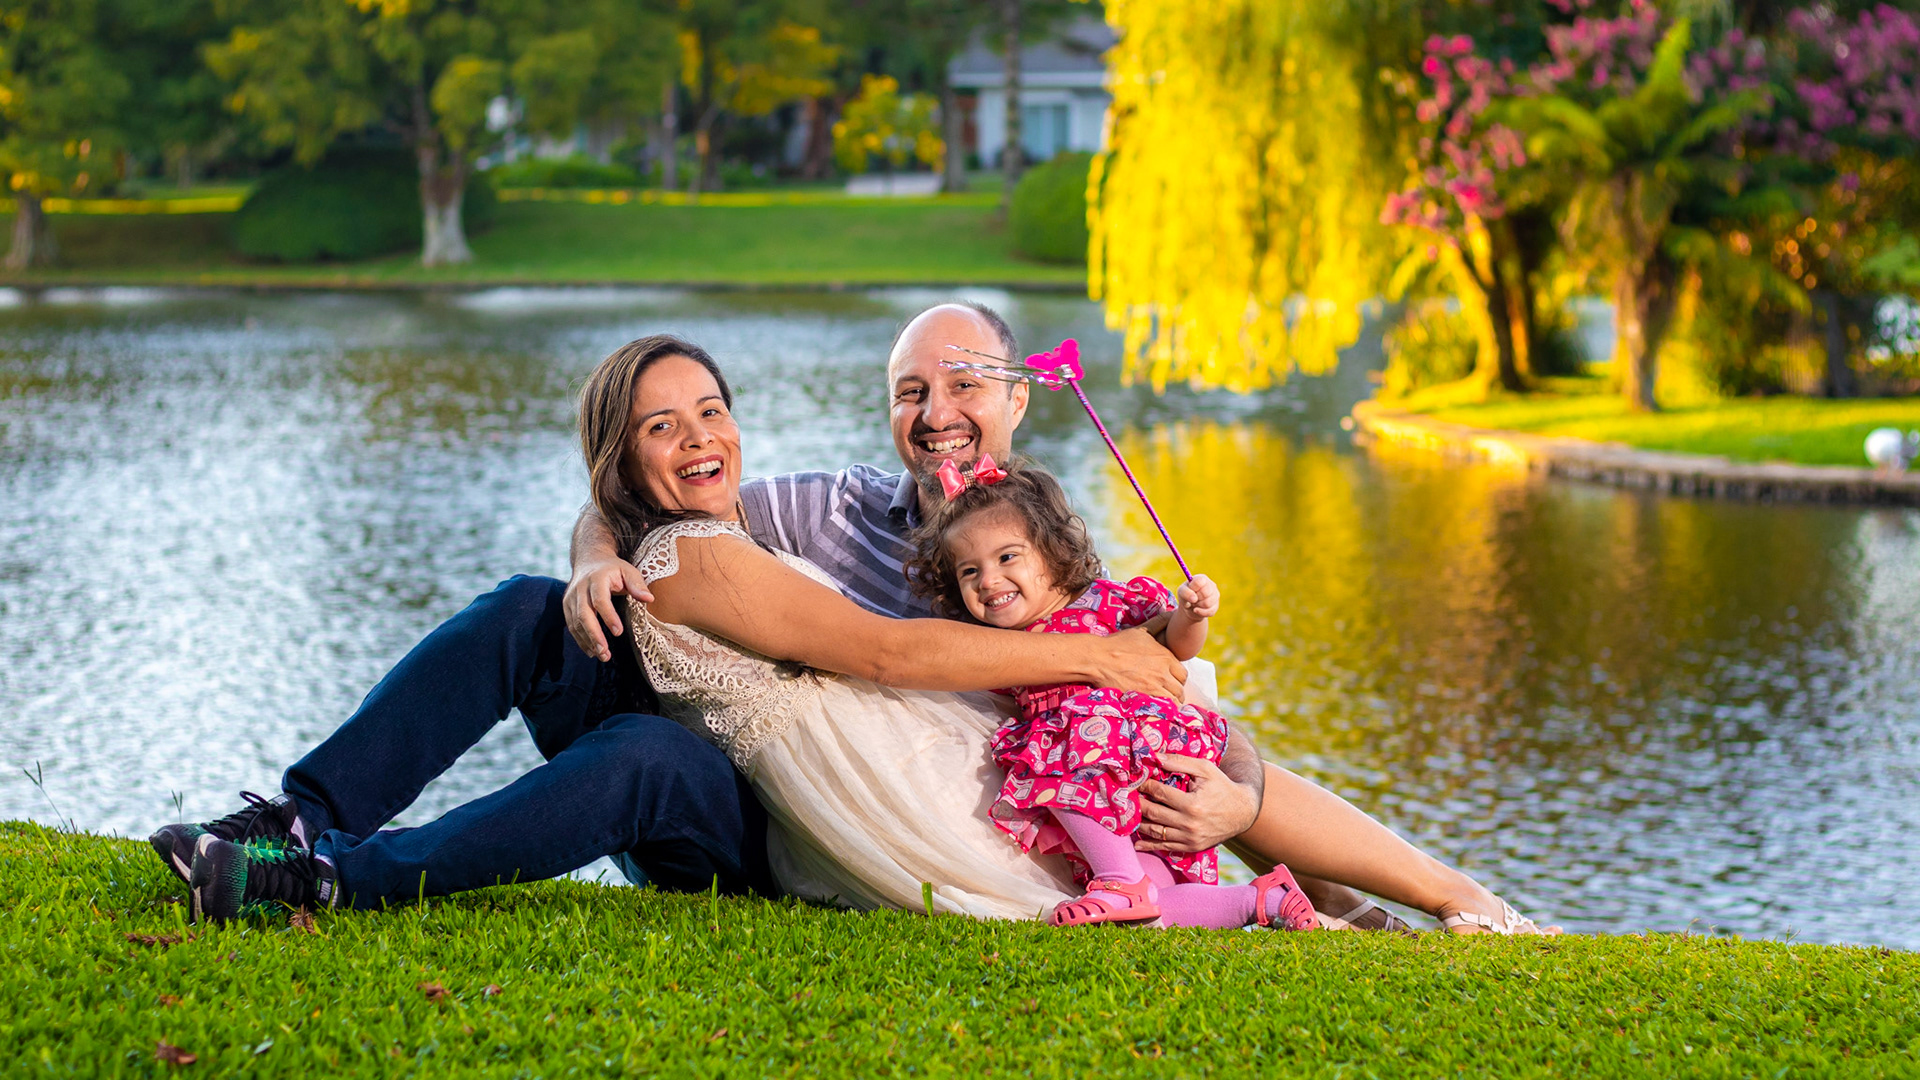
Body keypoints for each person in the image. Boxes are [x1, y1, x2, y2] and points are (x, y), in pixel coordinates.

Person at [153, 302, 1549, 935]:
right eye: (909, 393)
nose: (937, 414)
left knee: (652, 757)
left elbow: (1185, 732)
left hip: (809, 819)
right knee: (532, 611)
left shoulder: (1054, 570)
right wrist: (589, 558)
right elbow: (657, 512)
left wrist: (1240, 795)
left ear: (1017, 400)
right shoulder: (822, 510)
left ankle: (339, 882)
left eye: (965, 386)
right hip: (752, 769)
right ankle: (299, 823)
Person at [906, 458, 1318, 931]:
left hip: (1141, 748)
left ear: (1052, 549)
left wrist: (1192, 615)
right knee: (1152, 905)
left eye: (1007, 558)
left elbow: (1176, 645)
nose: (988, 580)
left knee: (1057, 735)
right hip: (1108, 787)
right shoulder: (1000, 645)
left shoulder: (1107, 602)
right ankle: (1263, 899)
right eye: (969, 571)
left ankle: (1119, 880)